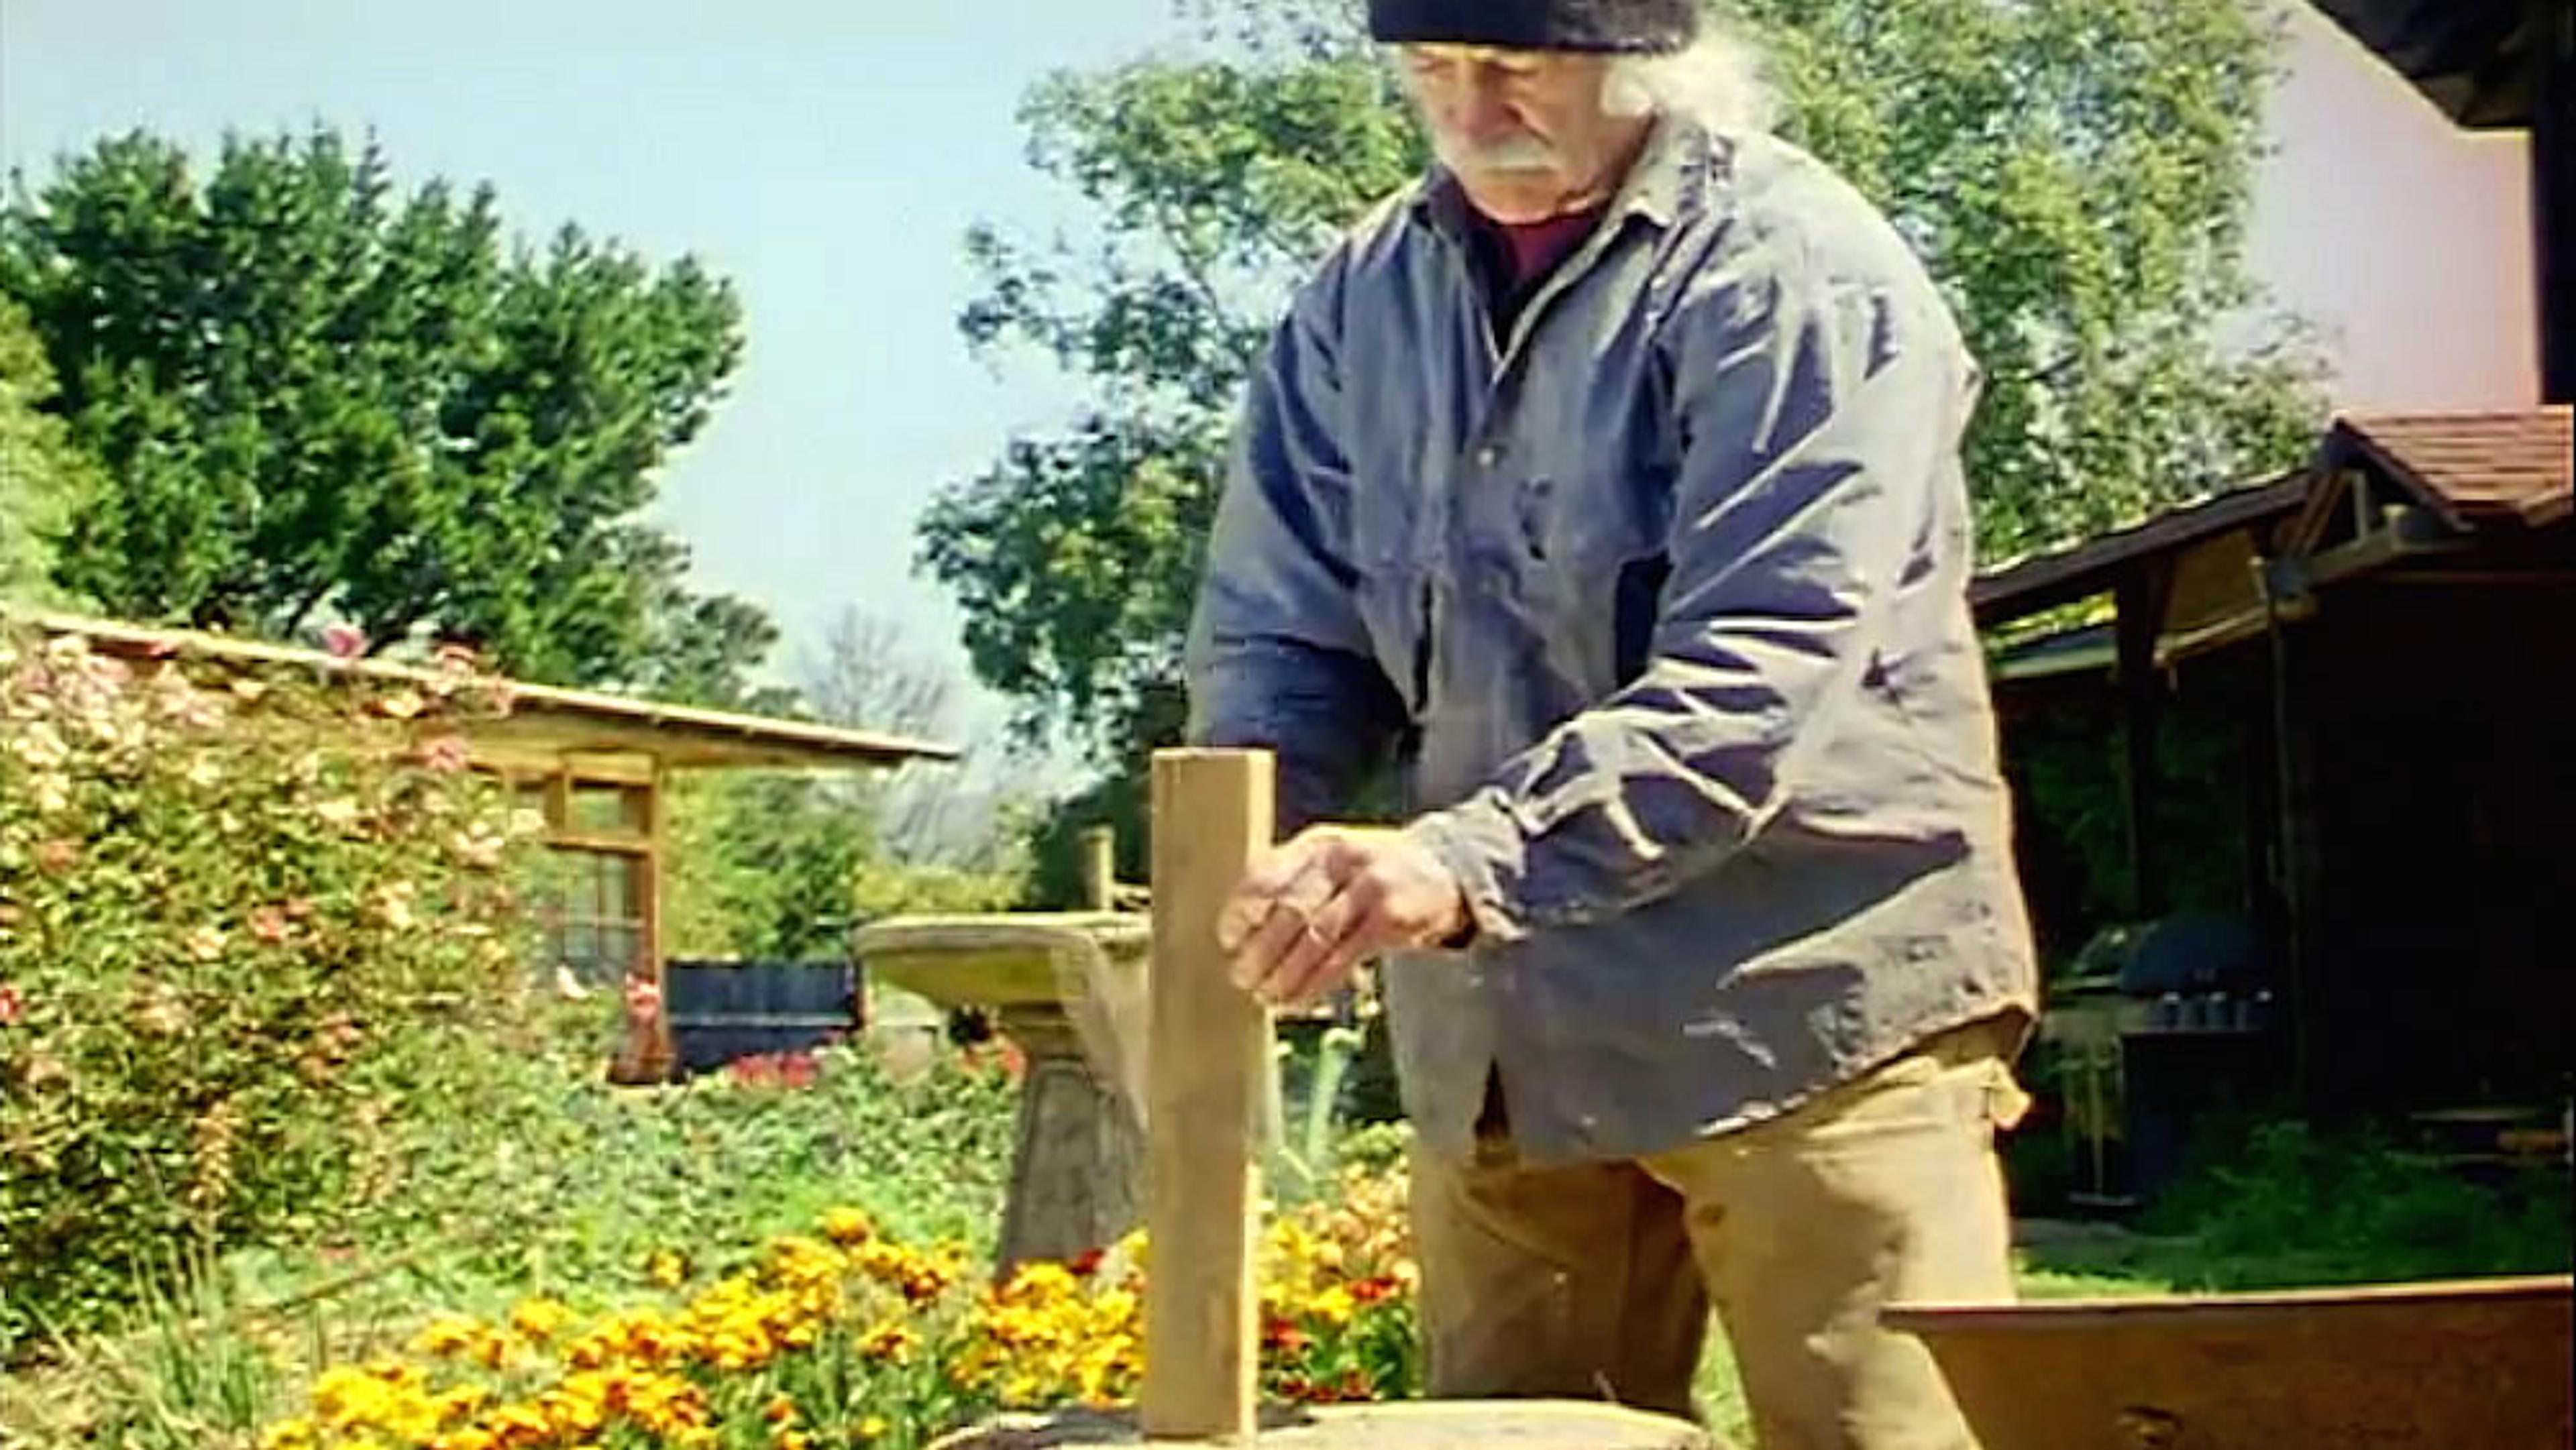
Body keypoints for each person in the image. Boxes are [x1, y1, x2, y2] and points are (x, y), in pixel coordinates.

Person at [1185, 1, 2040, 1445]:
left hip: (1808, 1005)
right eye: (1433, 70)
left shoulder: (1802, 276)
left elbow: (1763, 669)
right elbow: (1282, 625)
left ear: (1651, 58)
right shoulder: (1363, 293)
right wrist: (1260, 854)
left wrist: (1460, 863)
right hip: (1506, 1039)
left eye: (1515, 66)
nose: (1469, 110)